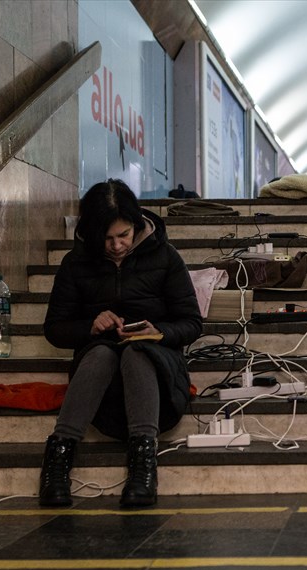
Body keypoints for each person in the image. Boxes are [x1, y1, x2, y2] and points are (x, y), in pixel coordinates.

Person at [40, 179, 202, 508]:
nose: (116, 246)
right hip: (100, 372)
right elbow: (55, 329)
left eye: (123, 236)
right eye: (108, 239)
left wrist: (159, 332)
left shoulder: (166, 257)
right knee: (102, 353)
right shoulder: (76, 263)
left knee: (136, 351)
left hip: (155, 368)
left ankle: (143, 462)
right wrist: (90, 326)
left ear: (136, 226)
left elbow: (192, 322)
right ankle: (58, 459)